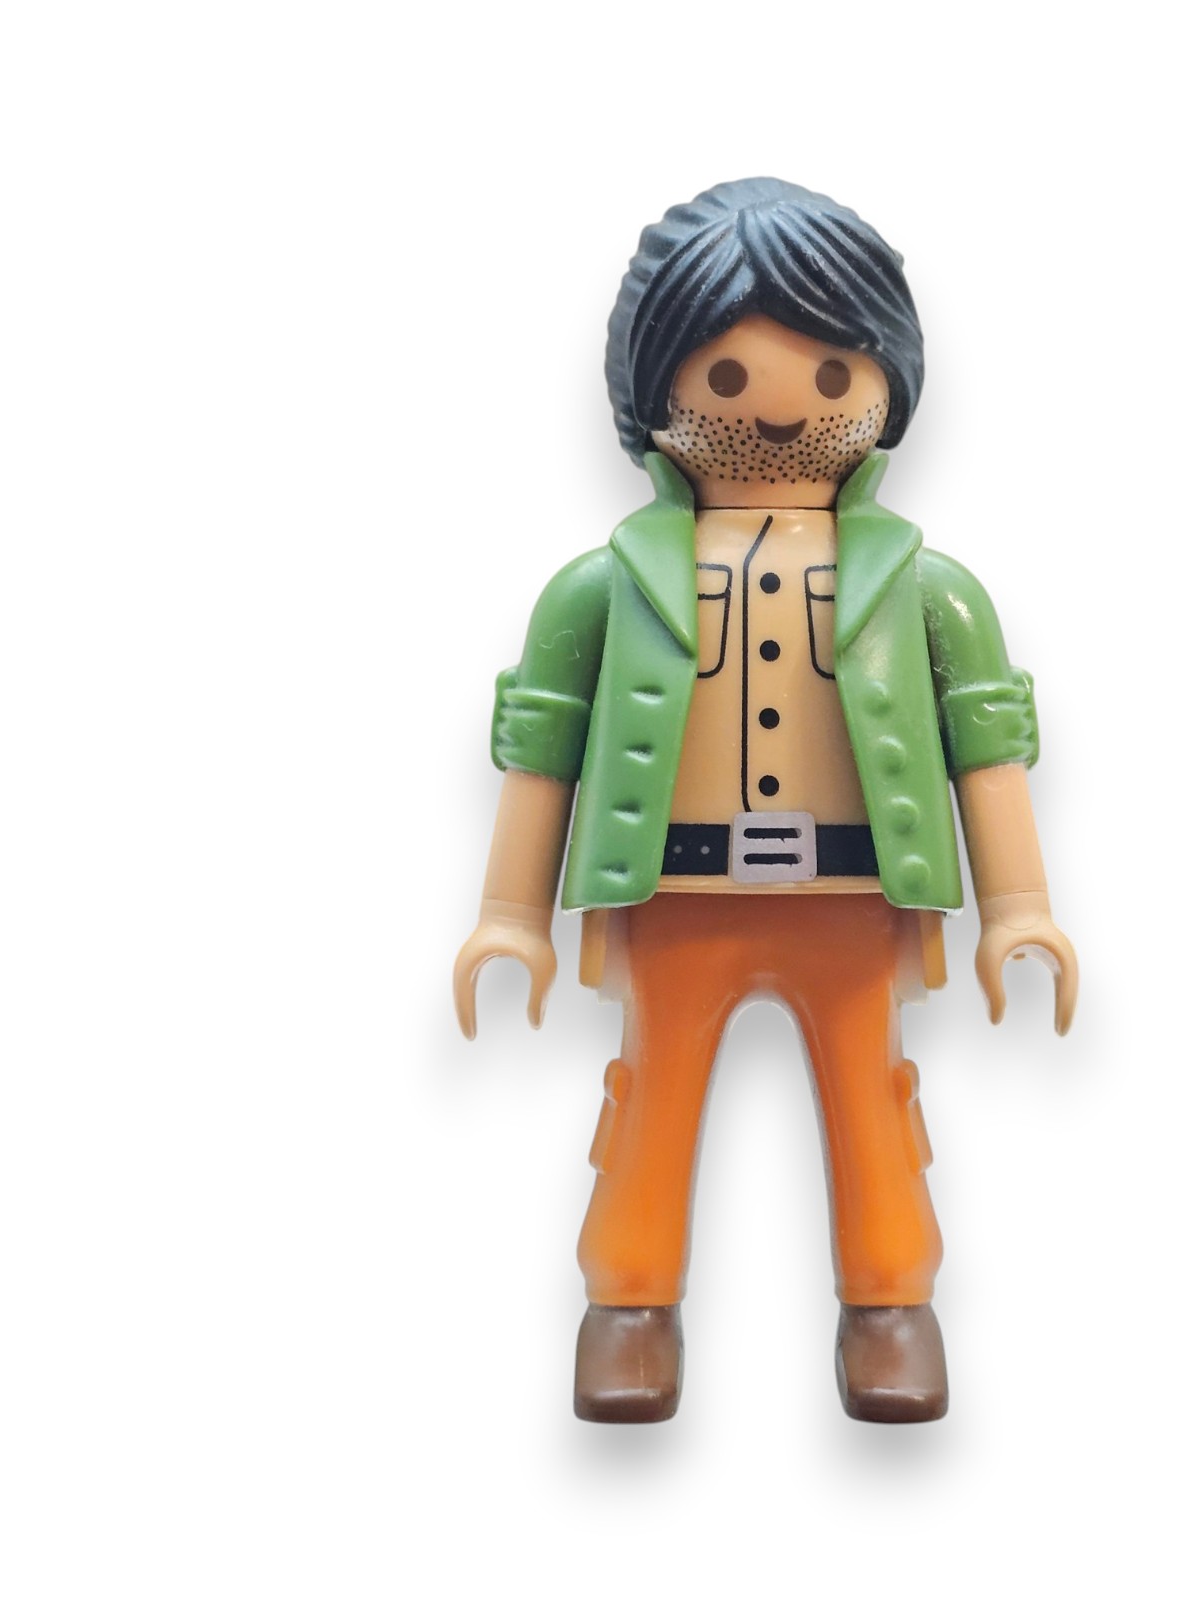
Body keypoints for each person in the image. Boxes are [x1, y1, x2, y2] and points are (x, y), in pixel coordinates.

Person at [453, 178, 1078, 1423]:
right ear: (652, 390)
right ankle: (629, 1302)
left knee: (872, 1096)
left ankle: (890, 1302)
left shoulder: (929, 587)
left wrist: (1019, 907)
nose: (782, 409)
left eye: (834, 374)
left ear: (889, 380)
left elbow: (985, 743)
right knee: (650, 1096)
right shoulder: (602, 585)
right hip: (672, 889)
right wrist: (508, 915)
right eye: (726, 379)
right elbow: (543, 748)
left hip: (854, 892)